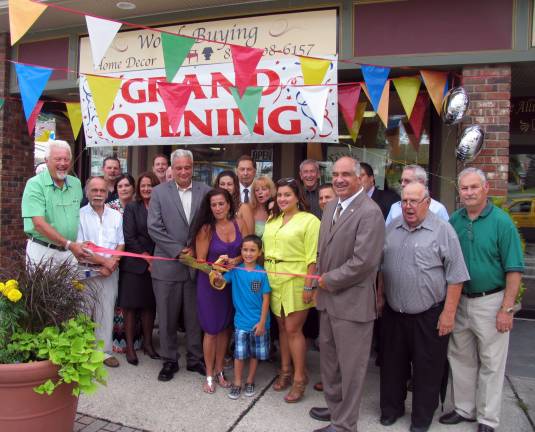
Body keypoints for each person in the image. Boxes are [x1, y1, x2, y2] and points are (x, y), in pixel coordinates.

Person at [378, 182, 469, 432]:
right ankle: (391, 409)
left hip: (429, 314)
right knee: (392, 366)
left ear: (427, 203)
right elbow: (382, 267)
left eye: (414, 201)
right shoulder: (392, 228)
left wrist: (448, 314)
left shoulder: (443, 231)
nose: (408, 206)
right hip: (394, 312)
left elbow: (456, 276)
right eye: (404, 201)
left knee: (427, 369)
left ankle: (421, 418)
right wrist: (380, 295)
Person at [440, 168, 524, 432]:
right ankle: (465, 409)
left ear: (486, 188)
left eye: (474, 187)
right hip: (460, 299)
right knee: (460, 357)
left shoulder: (502, 222)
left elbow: (514, 269)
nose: (469, 193)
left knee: (491, 362)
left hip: (491, 301)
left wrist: (506, 309)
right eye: (464, 188)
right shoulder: (455, 220)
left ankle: (488, 418)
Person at [309, 156, 385, 432]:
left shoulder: (370, 212)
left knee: (351, 368)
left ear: (360, 178)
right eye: (336, 174)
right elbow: (323, 250)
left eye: (346, 175)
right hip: (328, 301)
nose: (339, 179)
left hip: (352, 304)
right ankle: (334, 409)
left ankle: (345, 424)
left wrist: (329, 279)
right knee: (329, 362)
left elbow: (364, 262)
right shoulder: (331, 207)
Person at [148, 149, 211, 382]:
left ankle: (195, 359)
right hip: (168, 266)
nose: (184, 172)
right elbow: (154, 227)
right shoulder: (158, 192)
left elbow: (209, 225)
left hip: (196, 265)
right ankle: (169, 360)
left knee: (195, 317)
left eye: (188, 167)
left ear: (192, 168)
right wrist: (178, 250)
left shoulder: (205, 191)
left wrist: (198, 249)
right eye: (179, 168)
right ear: (171, 170)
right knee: (166, 317)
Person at [263, 178, 320, 403]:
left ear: (298, 197)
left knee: (294, 329)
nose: (283, 199)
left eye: (288, 195)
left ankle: (299, 378)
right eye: (280, 195)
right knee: (282, 329)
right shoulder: (272, 219)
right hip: (273, 279)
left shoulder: (310, 221)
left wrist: (309, 284)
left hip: (296, 280)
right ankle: (285, 371)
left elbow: (312, 255)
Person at [194, 188, 247, 393]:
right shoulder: (206, 229)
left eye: (221, 204)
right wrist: (214, 267)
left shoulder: (239, 223)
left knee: (225, 328)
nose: (217, 208)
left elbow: (247, 252)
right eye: (214, 205)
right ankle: (208, 374)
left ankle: (220, 370)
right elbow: (200, 262)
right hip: (210, 285)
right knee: (211, 330)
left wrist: (236, 259)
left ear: (229, 204)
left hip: (231, 285)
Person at [211, 235, 271, 400]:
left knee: (254, 355)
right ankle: (237, 383)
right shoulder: (236, 271)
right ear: (241, 251)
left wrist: (262, 322)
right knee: (239, 355)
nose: (248, 253)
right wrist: (217, 269)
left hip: (258, 323)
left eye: (252, 250)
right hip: (241, 323)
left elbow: (266, 299)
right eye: (245, 250)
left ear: (259, 252)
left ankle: (250, 381)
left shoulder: (262, 273)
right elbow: (220, 281)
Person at [78, 176, 124, 368]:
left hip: (110, 272)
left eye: (102, 191)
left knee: (106, 310)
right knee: (83, 311)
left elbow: (121, 243)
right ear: (87, 192)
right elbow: (81, 247)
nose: (98, 194)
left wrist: (112, 263)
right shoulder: (78, 215)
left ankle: (103, 352)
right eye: (94, 190)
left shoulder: (116, 215)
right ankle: (81, 351)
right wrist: (104, 263)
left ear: (107, 193)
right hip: (85, 271)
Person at [22, 139, 90, 265]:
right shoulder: (35, 184)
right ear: (47, 161)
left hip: (70, 253)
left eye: (66, 159)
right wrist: (68, 244)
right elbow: (39, 224)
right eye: (58, 159)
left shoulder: (76, 183)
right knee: (43, 285)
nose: (63, 163)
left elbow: (78, 217)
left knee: (71, 285)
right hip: (43, 251)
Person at [119, 172, 161, 366]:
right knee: (130, 308)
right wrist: (147, 258)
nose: (146, 189)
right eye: (143, 185)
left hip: (157, 264)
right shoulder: (132, 208)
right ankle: (129, 347)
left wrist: (155, 260)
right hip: (135, 266)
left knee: (149, 306)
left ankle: (148, 344)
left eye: (150, 185)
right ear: (138, 188)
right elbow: (130, 236)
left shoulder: (161, 207)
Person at [105, 174, 141, 355]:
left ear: (133, 188)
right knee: (117, 301)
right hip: (114, 260)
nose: (124, 188)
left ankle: (134, 339)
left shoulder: (139, 206)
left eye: (127, 185)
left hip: (136, 261)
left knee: (133, 302)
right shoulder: (109, 208)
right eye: (120, 186)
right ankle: (116, 340)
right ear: (116, 189)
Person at [214, 170, 254, 236]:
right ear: (217, 186)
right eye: (222, 184)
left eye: (229, 184)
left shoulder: (243, 208)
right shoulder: (212, 207)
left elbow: (249, 239)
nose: (225, 187)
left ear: (235, 187)